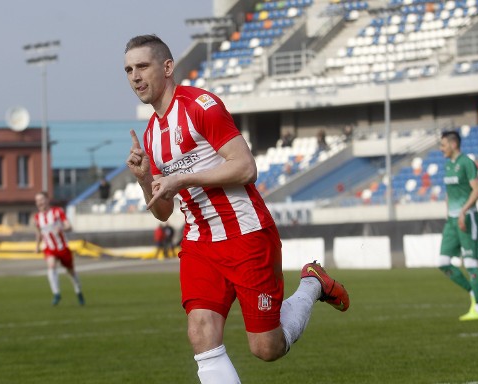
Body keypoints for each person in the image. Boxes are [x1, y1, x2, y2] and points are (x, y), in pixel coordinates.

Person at [123, 34, 349, 383]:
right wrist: (143, 179)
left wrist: (181, 179)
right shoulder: (152, 133)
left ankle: (312, 284)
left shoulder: (201, 105)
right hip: (200, 243)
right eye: (128, 70)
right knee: (200, 333)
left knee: (266, 348)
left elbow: (245, 167)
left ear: (167, 67)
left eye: (142, 66)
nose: (135, 76)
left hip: (246, 235)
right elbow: (163, 211)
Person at [438, 130, 478, 321]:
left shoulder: (466, 162)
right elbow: (449, 193)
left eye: (443, 145)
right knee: (443, 263)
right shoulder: (448, 166)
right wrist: (449, 212)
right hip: (452, 221)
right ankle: (475, 292)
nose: (441, 148)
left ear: (453, 144)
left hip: (467, 218)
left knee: (471, 263)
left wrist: (463, 211)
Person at [34, 191, 85, 306]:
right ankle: (56, 294)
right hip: (49, 248)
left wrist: (62, 228)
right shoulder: (37, 217)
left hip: (62, 247)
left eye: (41, 200)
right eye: (37, 201)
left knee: (71, 272)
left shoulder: (57, 211)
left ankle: (78, 291)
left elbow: (69, 226)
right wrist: (37, 246)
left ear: (47, 200)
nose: (40, 203)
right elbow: (38, 233)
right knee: (51, 265)